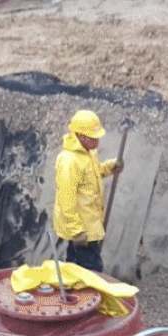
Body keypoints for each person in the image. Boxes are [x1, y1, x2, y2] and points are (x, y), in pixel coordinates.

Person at [52, 109, 123, 273]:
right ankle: (83, 297)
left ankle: (73, 295)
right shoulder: (69, 161)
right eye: (94, 137)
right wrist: (76, 232)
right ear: (81, 137)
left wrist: (110, 167)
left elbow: (95, 173)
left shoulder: (87, 154)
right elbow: (66, 199)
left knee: (75, 268)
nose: (98, 140)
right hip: (82, 230)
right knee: (91, 272)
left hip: (89, 225)